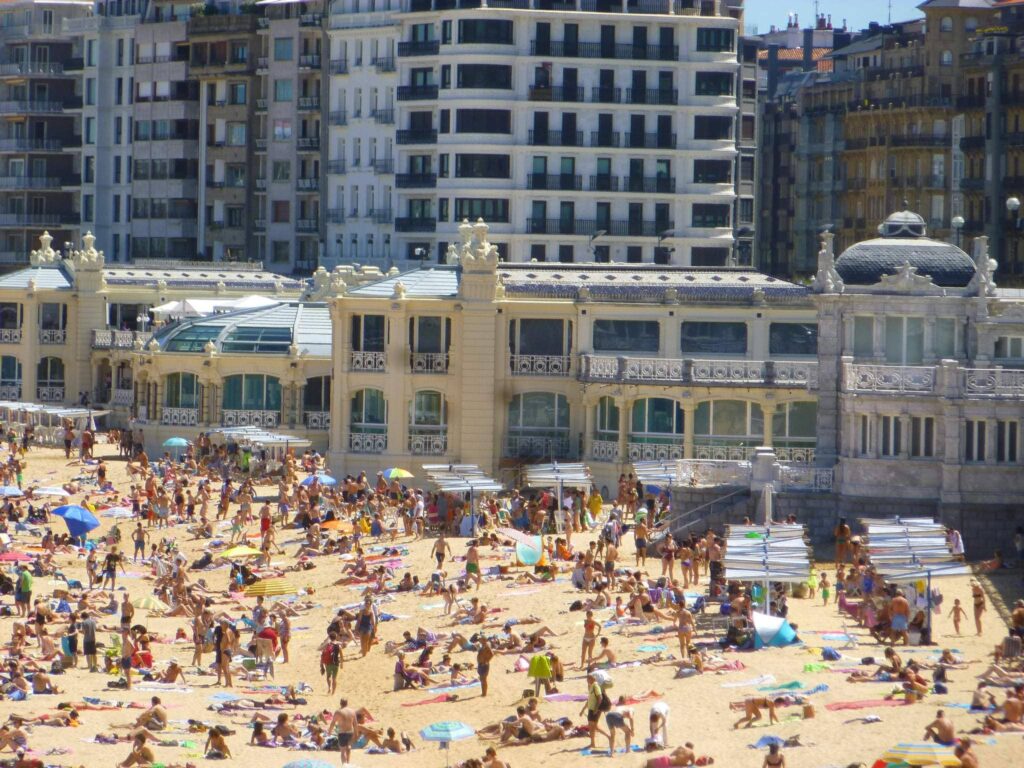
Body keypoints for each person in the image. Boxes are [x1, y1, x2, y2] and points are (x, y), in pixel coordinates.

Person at [328, 698, 357, 765]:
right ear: (347, 703)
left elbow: (333, 722)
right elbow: (355, 724)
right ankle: (348, 763)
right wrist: (356, 733)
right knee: (348, 747)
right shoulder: (352, 711)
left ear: (340, 703)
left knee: (343, 750)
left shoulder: (338, 712)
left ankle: (344, 764)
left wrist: (329, 731)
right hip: (350, 732)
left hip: (342, 733)